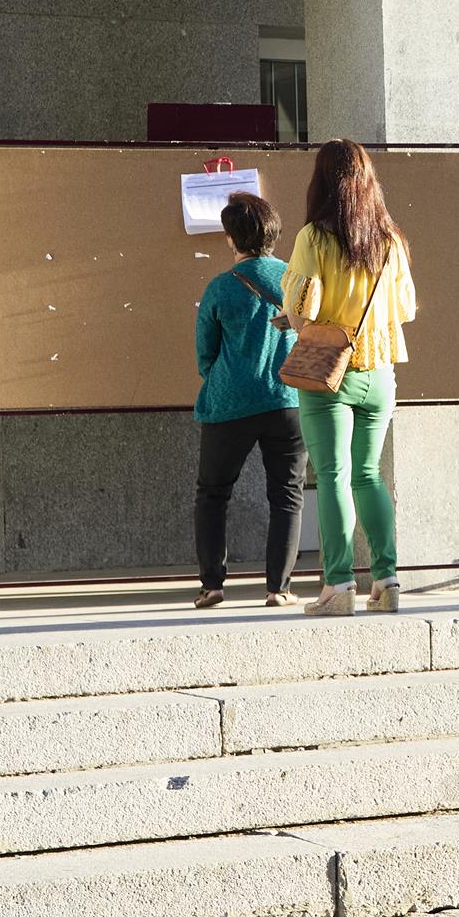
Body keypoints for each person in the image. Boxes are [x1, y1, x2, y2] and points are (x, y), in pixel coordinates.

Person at [282, 139, 419, 618]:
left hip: (328, 374)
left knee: (335, 477)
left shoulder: (314, 238)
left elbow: (305, 308)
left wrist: (295, 319)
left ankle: (338, 586)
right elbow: (405, 310)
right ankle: (387, 579)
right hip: (380, 373)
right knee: (369, 476)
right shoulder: (390, 241)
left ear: (322, 180)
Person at [191, 192, 306, 609]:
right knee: (287, 493)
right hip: (288, 400)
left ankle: (213, 586)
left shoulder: (220, 287)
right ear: (274, 234)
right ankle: (279, 588)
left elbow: (206, 353)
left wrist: (227, 378)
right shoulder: (294, 278)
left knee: (213, 493)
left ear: (230, 239)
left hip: (228, 404)